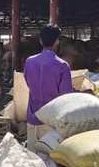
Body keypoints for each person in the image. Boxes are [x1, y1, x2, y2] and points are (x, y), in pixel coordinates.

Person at [23, 24, 73, 152]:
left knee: (32, 157)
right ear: (57, 41)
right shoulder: (62, 65)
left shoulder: (29, 61)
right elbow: (66, 96)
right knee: (50, 159)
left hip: (33, 117)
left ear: (40, 41)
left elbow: (28, 82)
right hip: (52, 121)